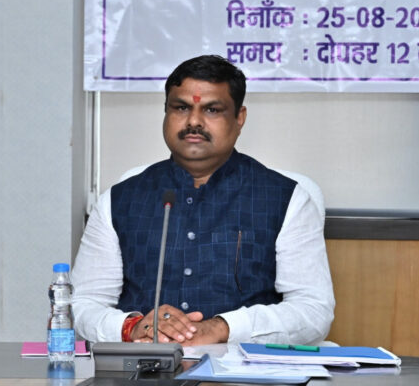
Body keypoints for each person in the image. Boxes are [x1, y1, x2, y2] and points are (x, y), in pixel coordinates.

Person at [71, 55, 335, 346]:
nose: (194, 121)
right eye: (181, 107)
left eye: (212, 109)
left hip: (245, 366)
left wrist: (221, 328)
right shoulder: (120, 201)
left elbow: (313, 311)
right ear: (166, 112)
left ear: (239, 118)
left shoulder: (286, 199)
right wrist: (132, 327)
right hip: (144, 364)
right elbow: (83, 304)